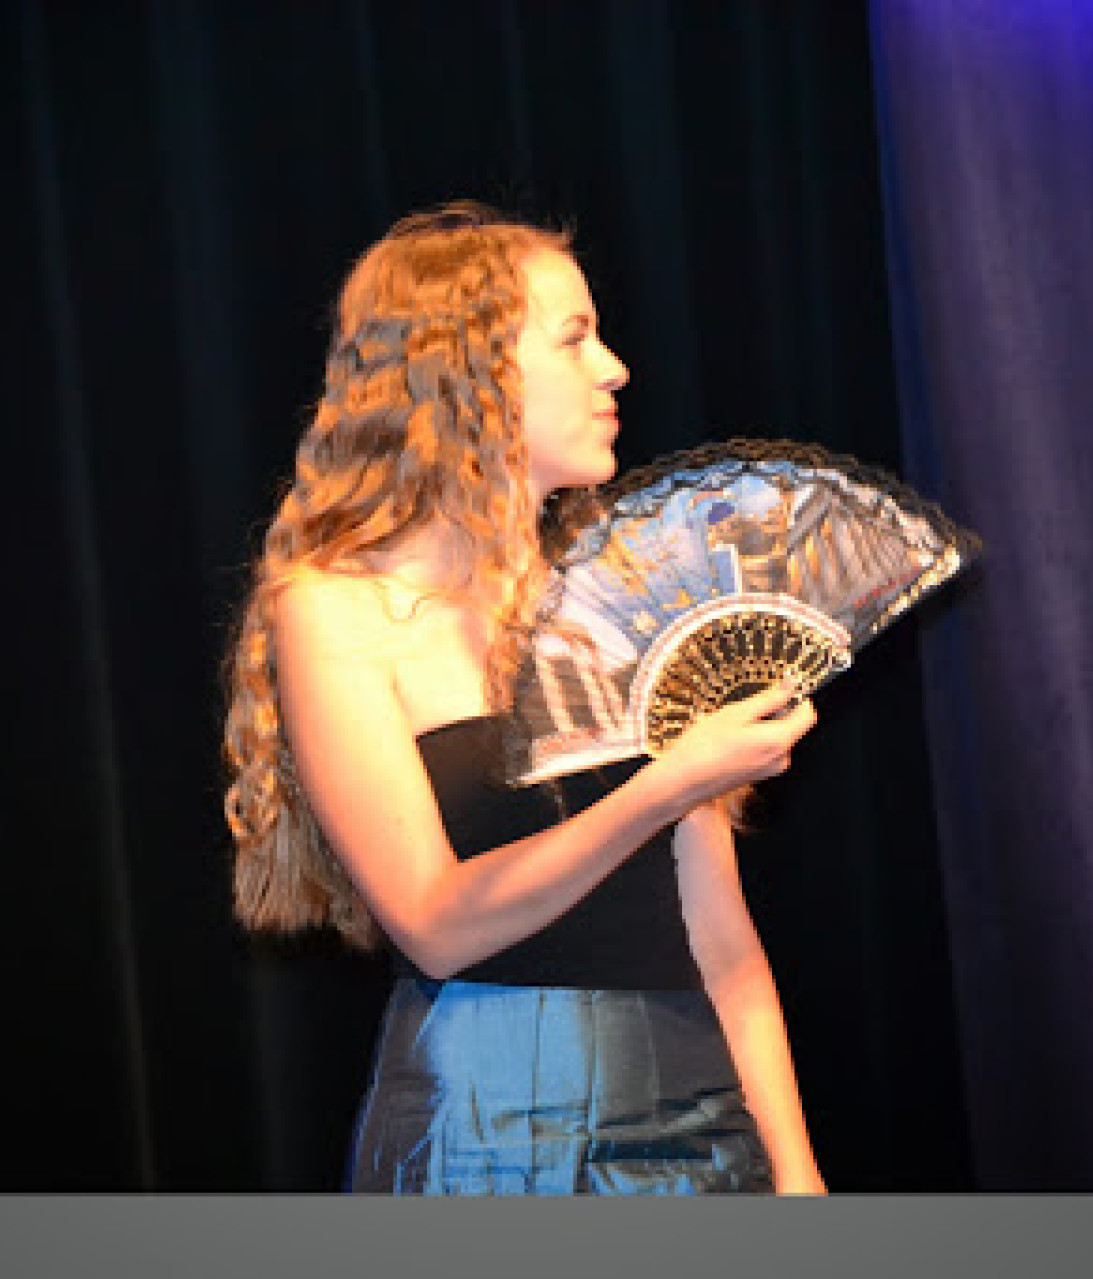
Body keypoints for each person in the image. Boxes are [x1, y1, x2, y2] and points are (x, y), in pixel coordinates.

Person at [222, 201, 826, 1194]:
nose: (614, 368)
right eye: (574, 337)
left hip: (695, 1115)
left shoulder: (628, 602)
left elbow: (721, 937)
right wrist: (668, 782)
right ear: (471, 371)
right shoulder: (336, 608)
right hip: (484, 1122)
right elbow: (435, 923)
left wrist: (798, 1177)